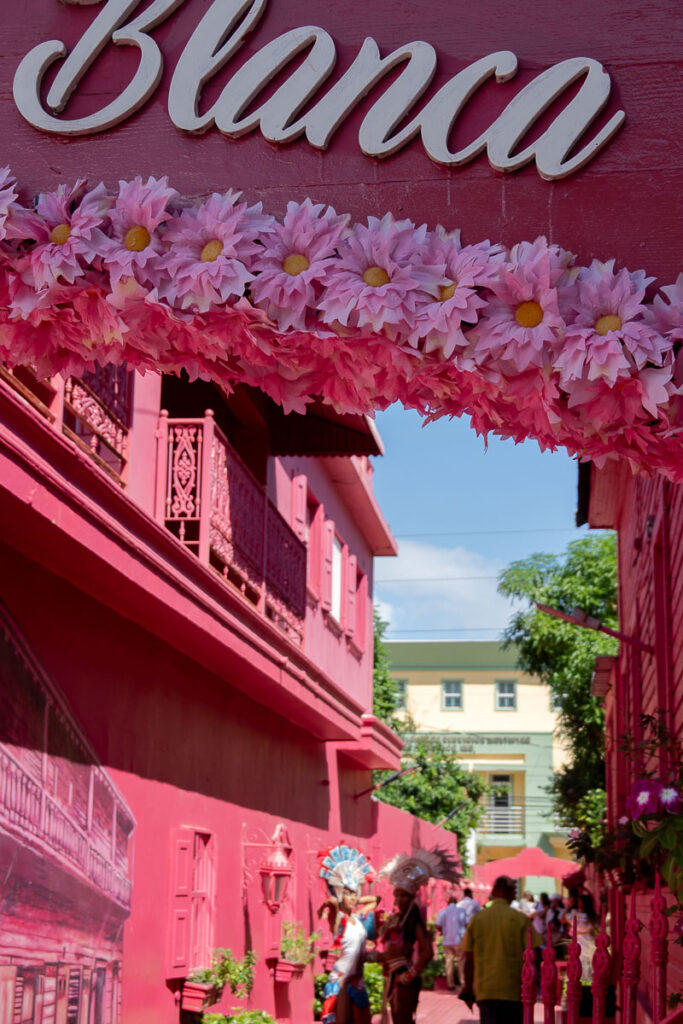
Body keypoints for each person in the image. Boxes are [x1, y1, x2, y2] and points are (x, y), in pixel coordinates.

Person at [377, 847, 458, 1024]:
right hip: (392, 976)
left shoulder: (414, 922)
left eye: (404, 896)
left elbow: (427, 952)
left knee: (403, 1020)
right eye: (397, 894)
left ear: (412, 897)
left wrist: (409, 975)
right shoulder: (396, 919)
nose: (399, 899)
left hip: (404, 979)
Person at [459, 874, 543, 1024]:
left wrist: (467, 988)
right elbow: (535, 954)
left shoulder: (478, 919)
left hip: (485, 989)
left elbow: (468, 959)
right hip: (513, 989)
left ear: (494, 892)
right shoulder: (520, 919)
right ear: (510, 893)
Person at [318, 844, 381, 1024]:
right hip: (342, 979)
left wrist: (354, 897)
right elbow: (331, 901)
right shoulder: (339, 918)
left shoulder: (357, 917)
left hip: (357, 979)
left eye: (355, 894)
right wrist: (339, 898)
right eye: (348, 894)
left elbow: (376, 900)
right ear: (339, 894)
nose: (353, 897)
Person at [435, 893, 465, 990]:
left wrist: (442, 930)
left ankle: (450, 984)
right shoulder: (461, 911)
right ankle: (463, 983)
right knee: (461, 962)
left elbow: (437, 924)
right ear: (456, 902)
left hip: (447, 940)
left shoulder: (444, 912)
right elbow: (467, 923)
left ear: (448, 902)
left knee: (449, 962)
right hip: (459, 939)